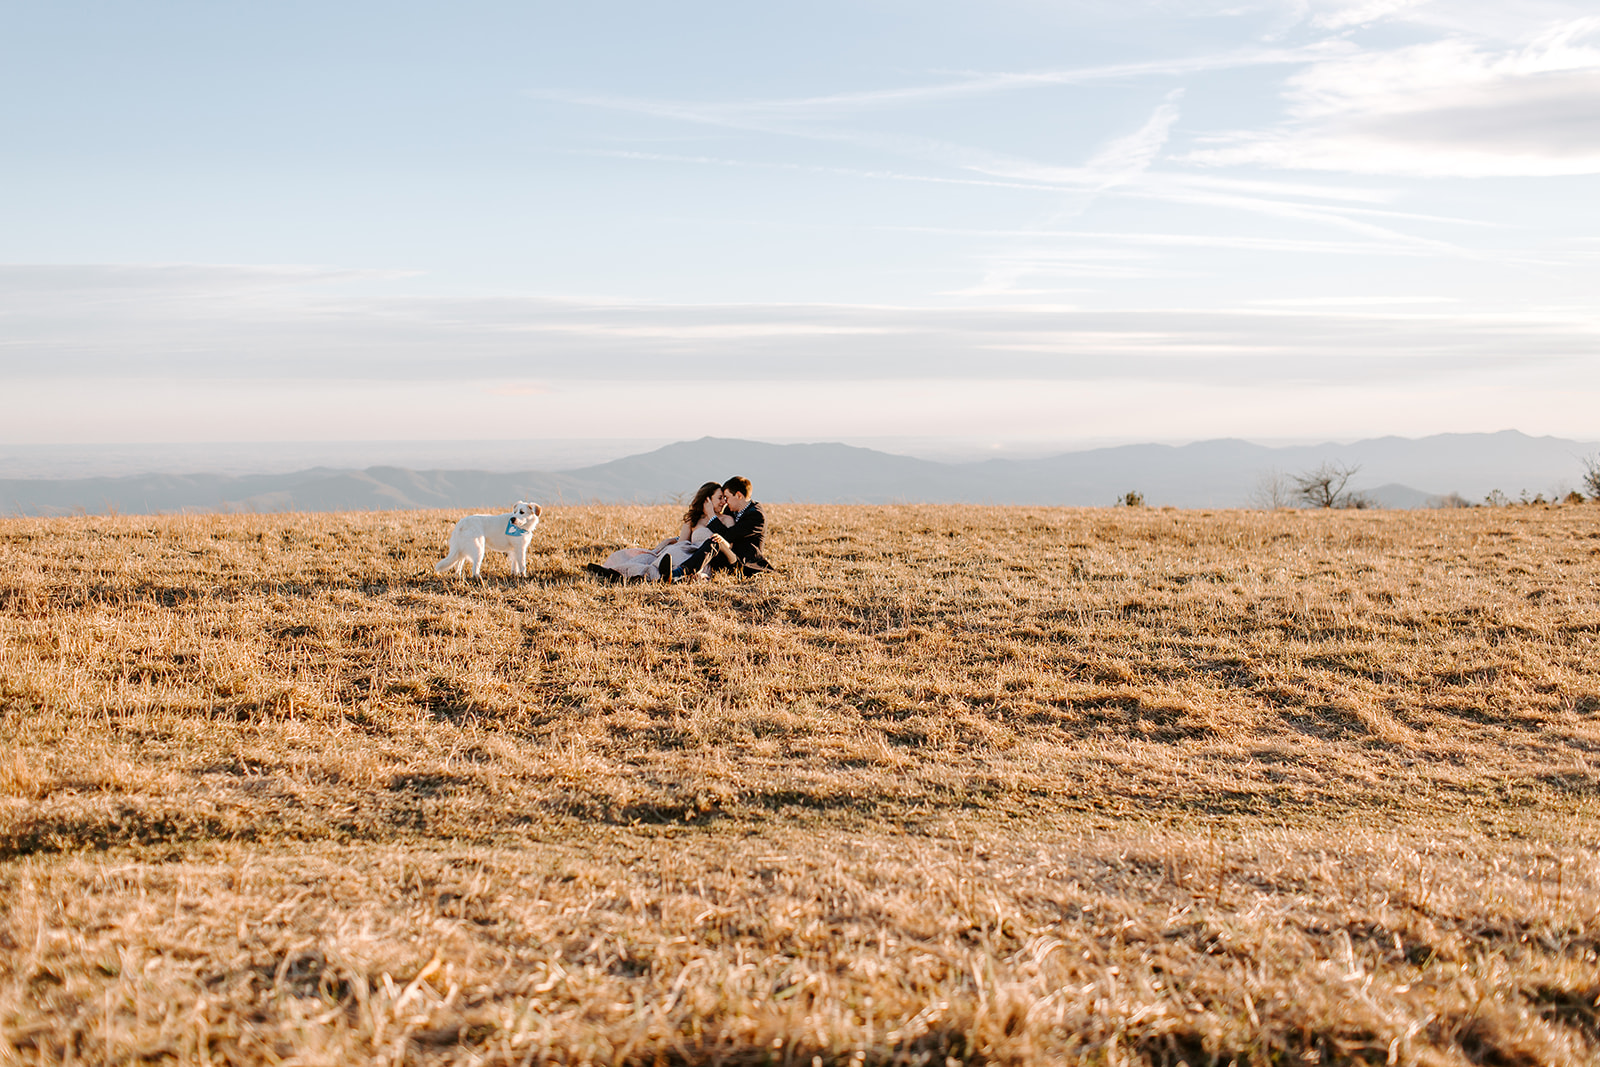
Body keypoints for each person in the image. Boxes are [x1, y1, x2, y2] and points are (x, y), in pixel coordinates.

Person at [588, 481, 738, 582]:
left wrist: (712, 515)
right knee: (650, 559)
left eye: (725, 498)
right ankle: (615, 573)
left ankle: (667, 575)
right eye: (720, 498)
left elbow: (728, 545)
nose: (724, 502)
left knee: (669, 562)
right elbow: (683, 542)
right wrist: (670, 542)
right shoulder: (693, 519)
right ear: (707, 500)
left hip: (704, 556)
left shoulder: (726, 520)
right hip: (687, 550)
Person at [700, 475, 772, 576]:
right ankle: (679, 572)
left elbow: (727, 535)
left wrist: (711, 515)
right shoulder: (730, 509)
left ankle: (680, 573)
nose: (725, 502)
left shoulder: (756, 516)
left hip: (742, 564)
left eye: (727, 497)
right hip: (724, 556)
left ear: (738, 495)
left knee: (715, 541)